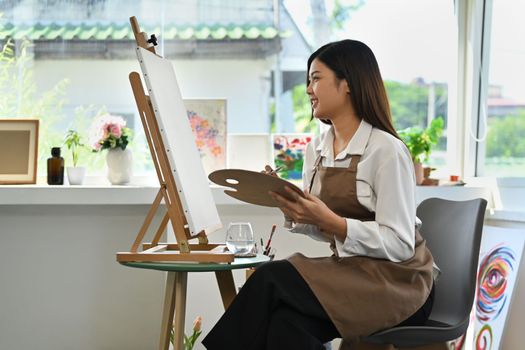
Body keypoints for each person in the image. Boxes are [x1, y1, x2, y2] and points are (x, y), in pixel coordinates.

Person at [202, 39, 436, 350]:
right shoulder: (317, 150)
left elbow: (400, 244)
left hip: (400, 282)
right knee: (286, 324)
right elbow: (320, 226)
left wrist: (336, 223)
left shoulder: (386, 151)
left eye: (316, 78)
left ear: (347, 83)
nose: (308, 89)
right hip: (352, 275)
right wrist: (294, 208)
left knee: (270, 278)